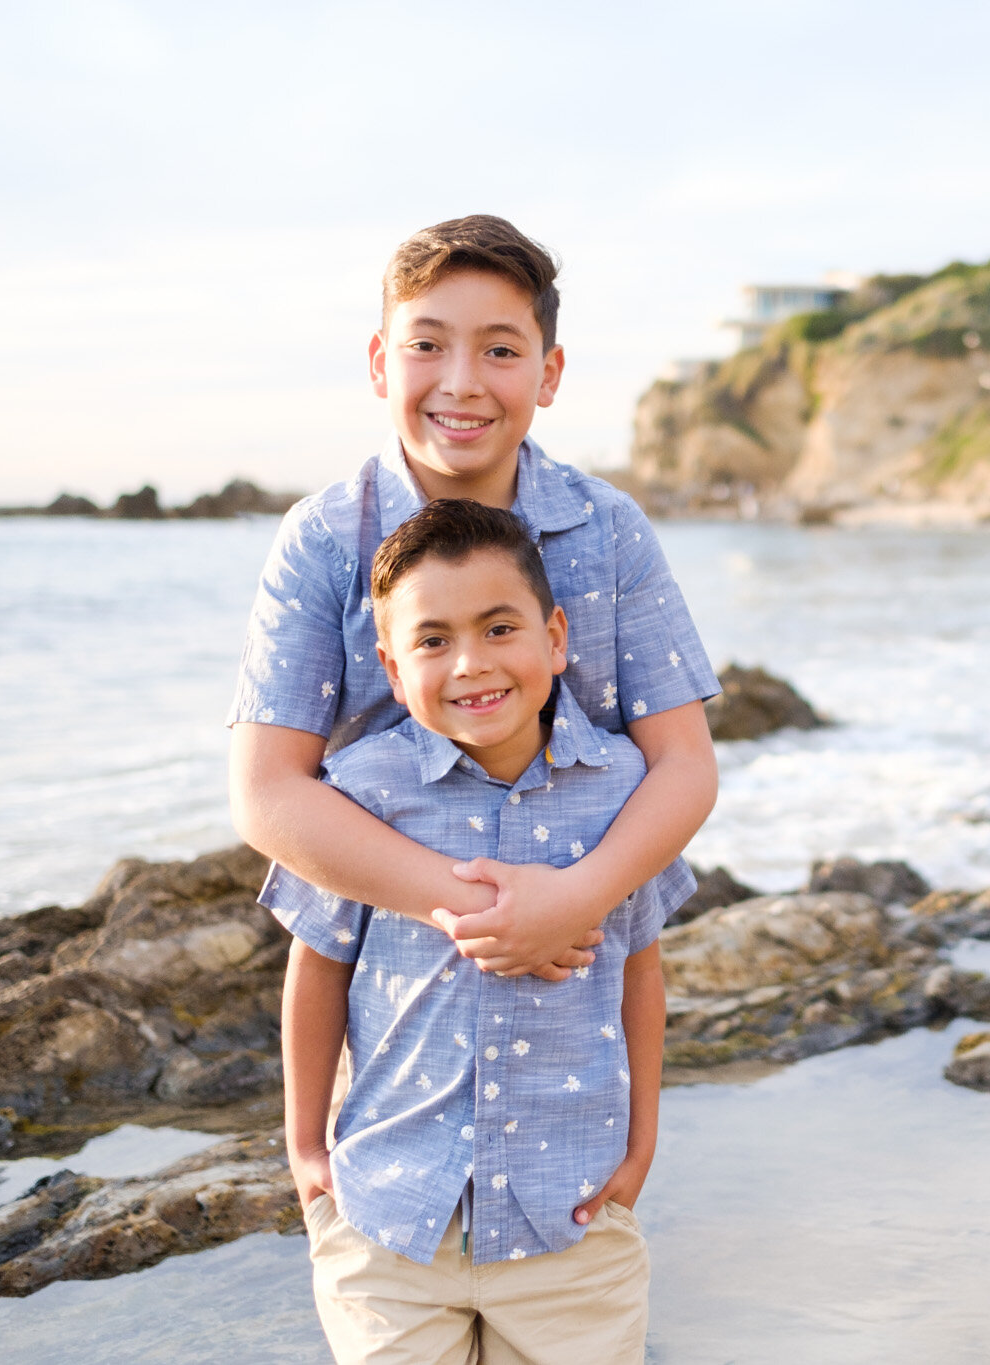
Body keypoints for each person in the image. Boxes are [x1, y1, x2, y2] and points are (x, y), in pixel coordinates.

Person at [228, 214, 720, 988]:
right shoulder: (324, 538)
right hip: (396, 994)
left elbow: (685, 764)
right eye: (426, 344)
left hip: (585, 976)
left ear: (549, 373)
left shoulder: (608, 529)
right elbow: (266, 792)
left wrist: (574, 897)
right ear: (380, 362)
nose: (461, 381)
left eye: (499, 350)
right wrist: (483, 910)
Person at [277, 499, 677, 1361]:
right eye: (432, 641)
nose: (471, 663)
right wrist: (306, 1146)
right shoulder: (359, 792)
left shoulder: (621, 790)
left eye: (500, 628)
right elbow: (317, 964)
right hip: (389, 1218)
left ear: (556, 635)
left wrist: (642, 1143)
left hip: (569, 1219)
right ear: (389, 663)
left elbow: (640, 969)